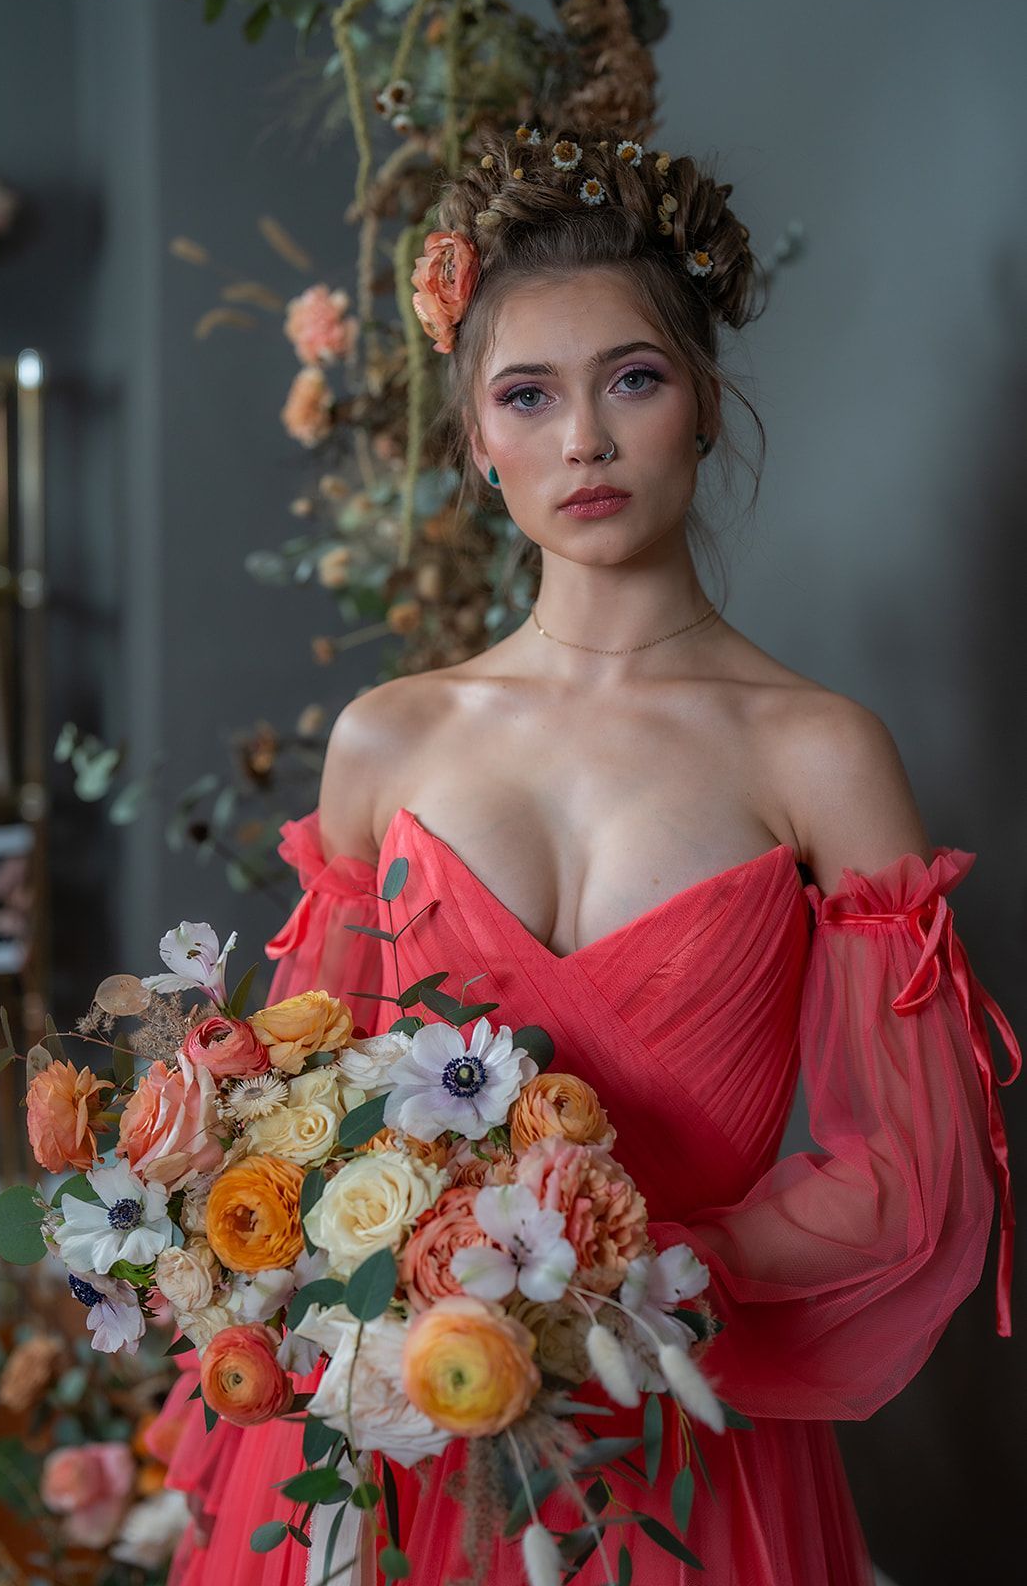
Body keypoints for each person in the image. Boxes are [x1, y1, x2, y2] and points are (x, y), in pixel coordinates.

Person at [154, 124, 1021, 1585]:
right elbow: (297, 1123)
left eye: (632, 379)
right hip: (396, 1446)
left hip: (675, 1436)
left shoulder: (819, 753)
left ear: (704, 403)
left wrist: (616, 1276)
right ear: (477, 443)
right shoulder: (386, 742)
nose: (584, 440)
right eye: (527, 396)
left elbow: (913, 1181)